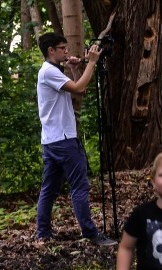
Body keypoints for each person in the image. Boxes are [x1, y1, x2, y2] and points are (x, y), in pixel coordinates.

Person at [34, 33, 116, 246]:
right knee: (79, 186)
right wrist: (92, 62)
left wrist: (75, 68)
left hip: (52, 140)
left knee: (49, 188)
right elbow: (79, 88)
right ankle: (90, 233)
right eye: (62, 48)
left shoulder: (52, 72)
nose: (67, 52)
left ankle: (43, 234)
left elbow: (80, 89)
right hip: (64, 140)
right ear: (51, 51)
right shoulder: (49, 71)